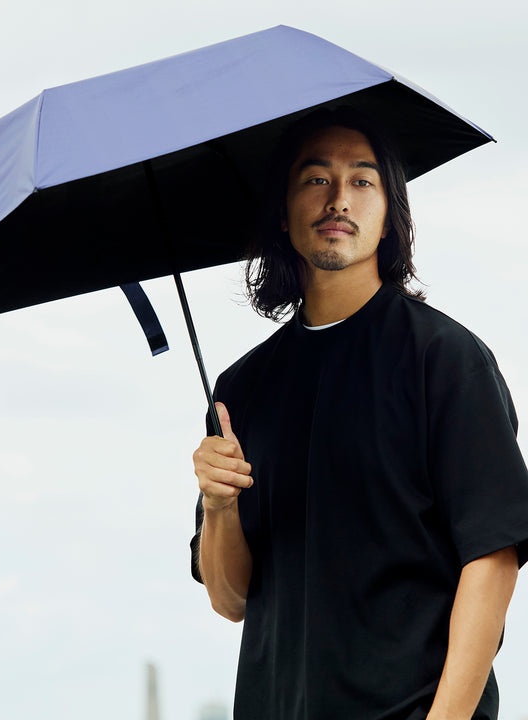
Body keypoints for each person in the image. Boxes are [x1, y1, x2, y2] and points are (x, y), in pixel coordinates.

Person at [190, 108, 528, 720]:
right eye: (316, 179)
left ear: (390, 215)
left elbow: (493, 558)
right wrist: (218, 504)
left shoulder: (445, 359)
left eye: (362, 180)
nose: (339, 199)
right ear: (284, 211)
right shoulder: (241, 390)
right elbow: (231, 599)